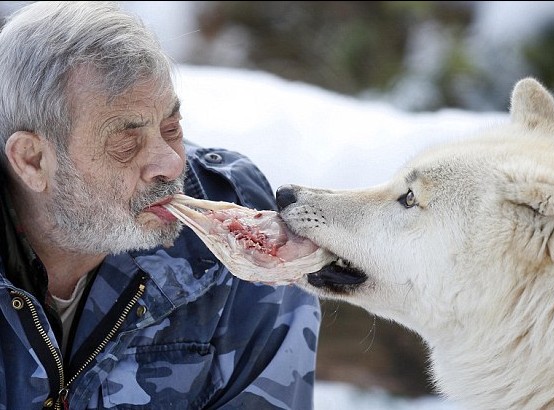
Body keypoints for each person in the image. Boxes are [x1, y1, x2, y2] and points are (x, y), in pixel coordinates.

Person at [0, 2, 321, 409]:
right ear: (31, 160)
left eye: (172, 128)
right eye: (125, 141)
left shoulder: (235, 226)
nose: (171, 163)